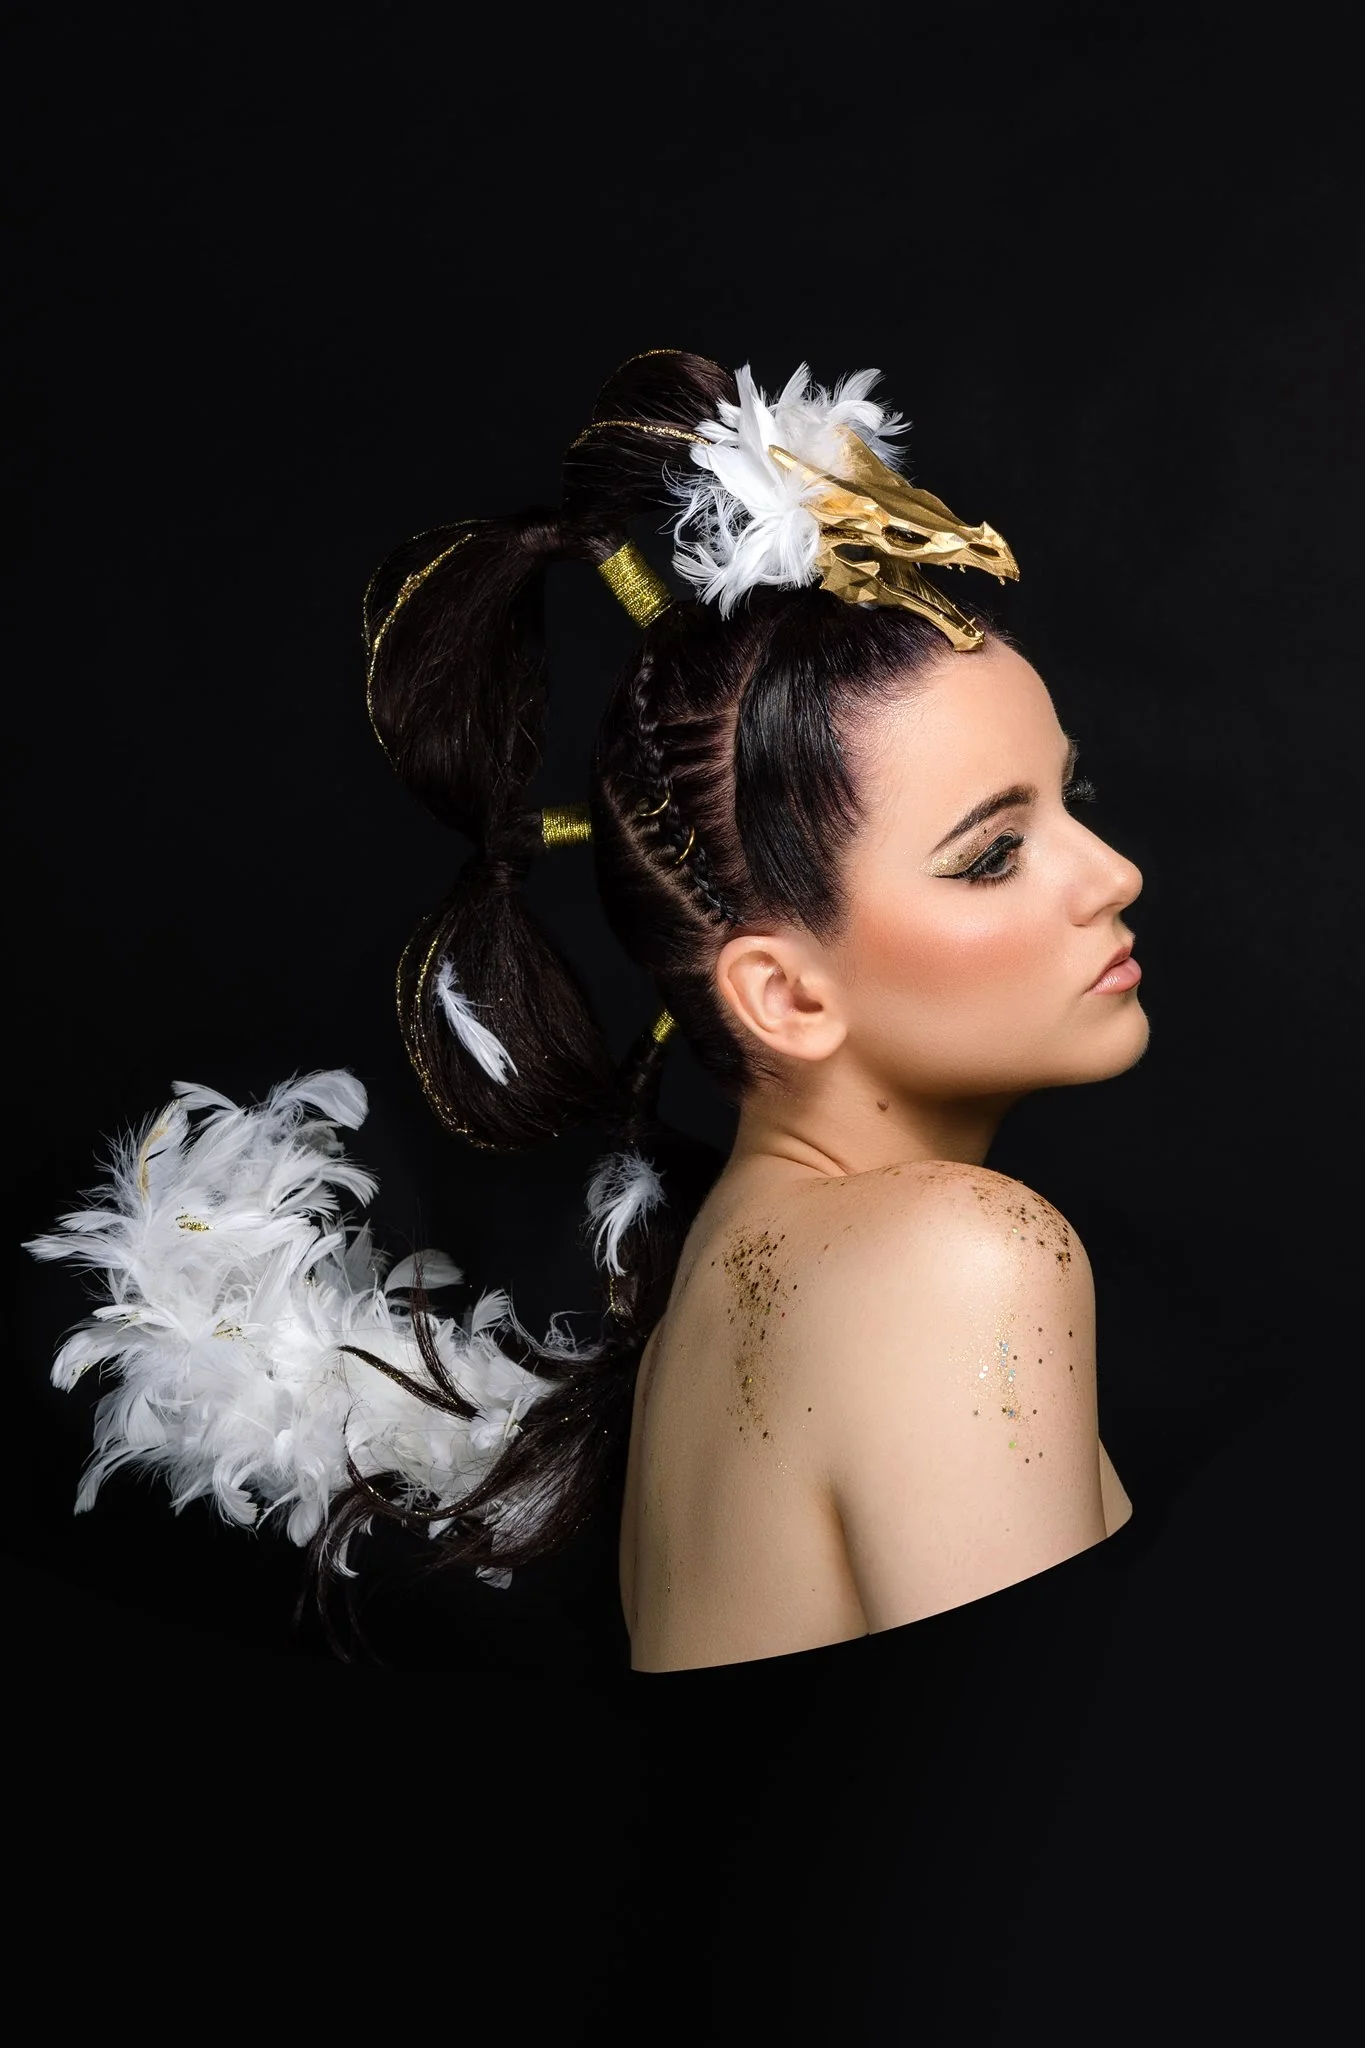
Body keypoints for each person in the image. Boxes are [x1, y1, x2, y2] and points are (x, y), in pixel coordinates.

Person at [26, 349, 1149, 2039]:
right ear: (784, 994)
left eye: (1074, 801)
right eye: (995, 850)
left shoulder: (743, 1276)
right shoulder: (956, 1261)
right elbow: (1066, 1941)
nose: (1110, 873)